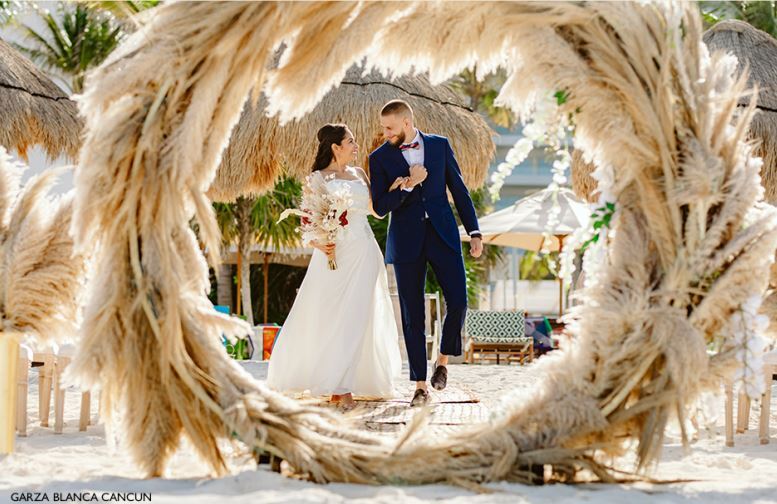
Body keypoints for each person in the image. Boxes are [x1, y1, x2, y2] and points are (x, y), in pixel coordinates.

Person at [266, 123, 402, 409]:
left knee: (359, 315)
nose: (355, 145)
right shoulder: (318, 178)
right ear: (335, 147)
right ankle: (330, 378)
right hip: (333, 255)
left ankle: (343, 386)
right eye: (350, 141)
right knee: (329, 315)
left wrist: (397, 187)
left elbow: (376, 211)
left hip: (363, 250)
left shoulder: (360, 174)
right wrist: (319, 243)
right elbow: (307, 222)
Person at [369, 100, 482, 407]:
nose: (385, 133)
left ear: (406, 123)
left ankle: (442, 361)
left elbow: (458, 190)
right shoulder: (378, 158)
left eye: (389, 127)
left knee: (458, 300)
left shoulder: (439, 146)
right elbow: (379, 206)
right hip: (406, 240)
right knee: (412, 315)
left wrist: (473, 231)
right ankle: (420, 385)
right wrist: (406, 187)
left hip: (443, 234)